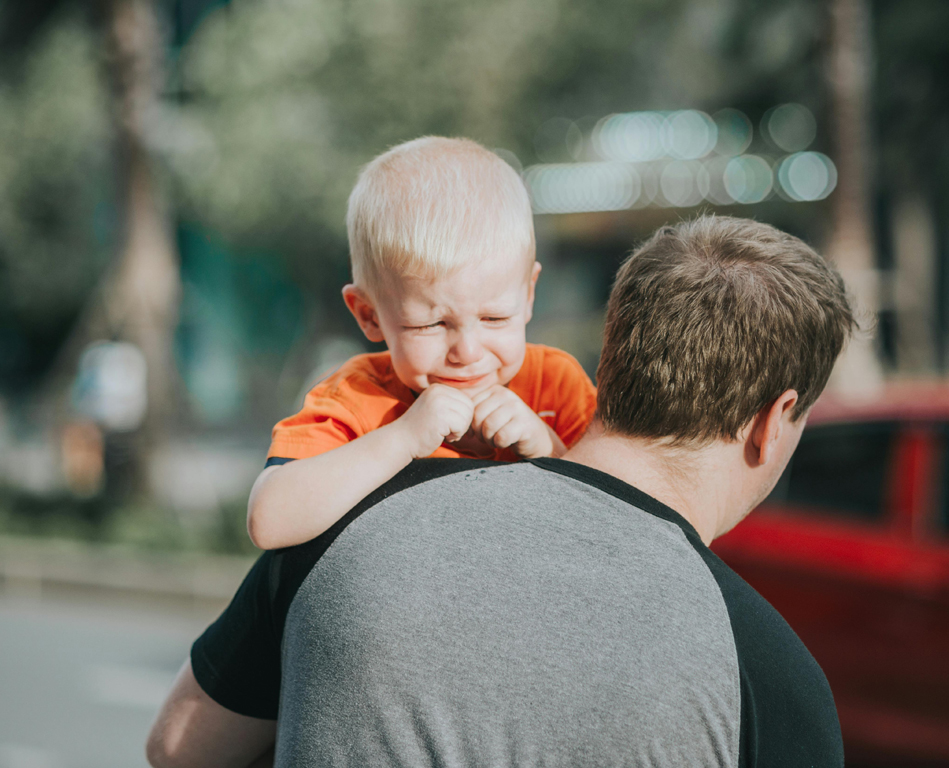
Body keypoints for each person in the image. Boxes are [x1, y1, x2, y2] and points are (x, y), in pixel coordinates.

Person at [148, 215, 855, 768]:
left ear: (613, 360)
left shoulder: (348, 524)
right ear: (770, 423)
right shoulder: (770, 677)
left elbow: (179, 748)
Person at [247, 136, 596, 550]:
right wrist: (402, 438)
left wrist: (548, 448)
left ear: (529, 295)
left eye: (494, 318)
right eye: (430, 325)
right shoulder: (358, 398)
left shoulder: (556, 385)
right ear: (368, 315)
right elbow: (270, 522)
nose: (467, 352)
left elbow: (622, 521)